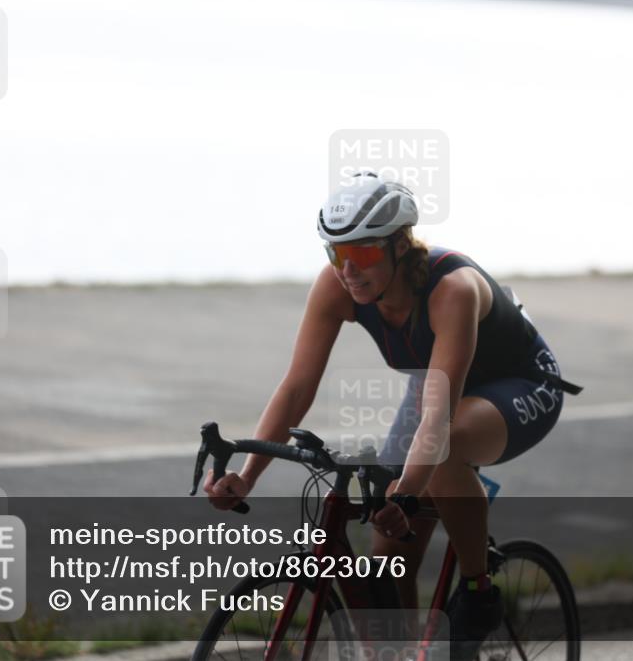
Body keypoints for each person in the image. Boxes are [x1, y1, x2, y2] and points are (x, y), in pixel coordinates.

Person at [204, 172, 581, 657]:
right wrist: (249, 473)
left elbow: (438, 419)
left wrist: (404, 491)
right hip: (439, 382)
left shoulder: (452, 290)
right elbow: (296, 387)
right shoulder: (337, 287)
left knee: (437, 460)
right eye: (335, 254)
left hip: (522, 383)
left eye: (361, 254)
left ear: (400, 245)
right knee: (387, 561)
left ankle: (478, 591)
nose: (347, 270)